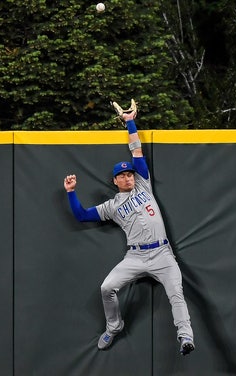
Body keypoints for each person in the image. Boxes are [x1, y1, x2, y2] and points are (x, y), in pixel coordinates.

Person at [62, 101, 195, 356]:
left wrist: (130, 121)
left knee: (176, 294)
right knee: (106, 288)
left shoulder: (144, 185)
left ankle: (185, 336)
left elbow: (136, 150)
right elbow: (81, 215)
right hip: (135, 256)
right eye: (122, 175)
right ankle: (114, 325)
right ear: (115, 180)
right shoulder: (112, 206)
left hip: (163, 255)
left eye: (129, 174)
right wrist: (70, 193)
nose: (127, 177)